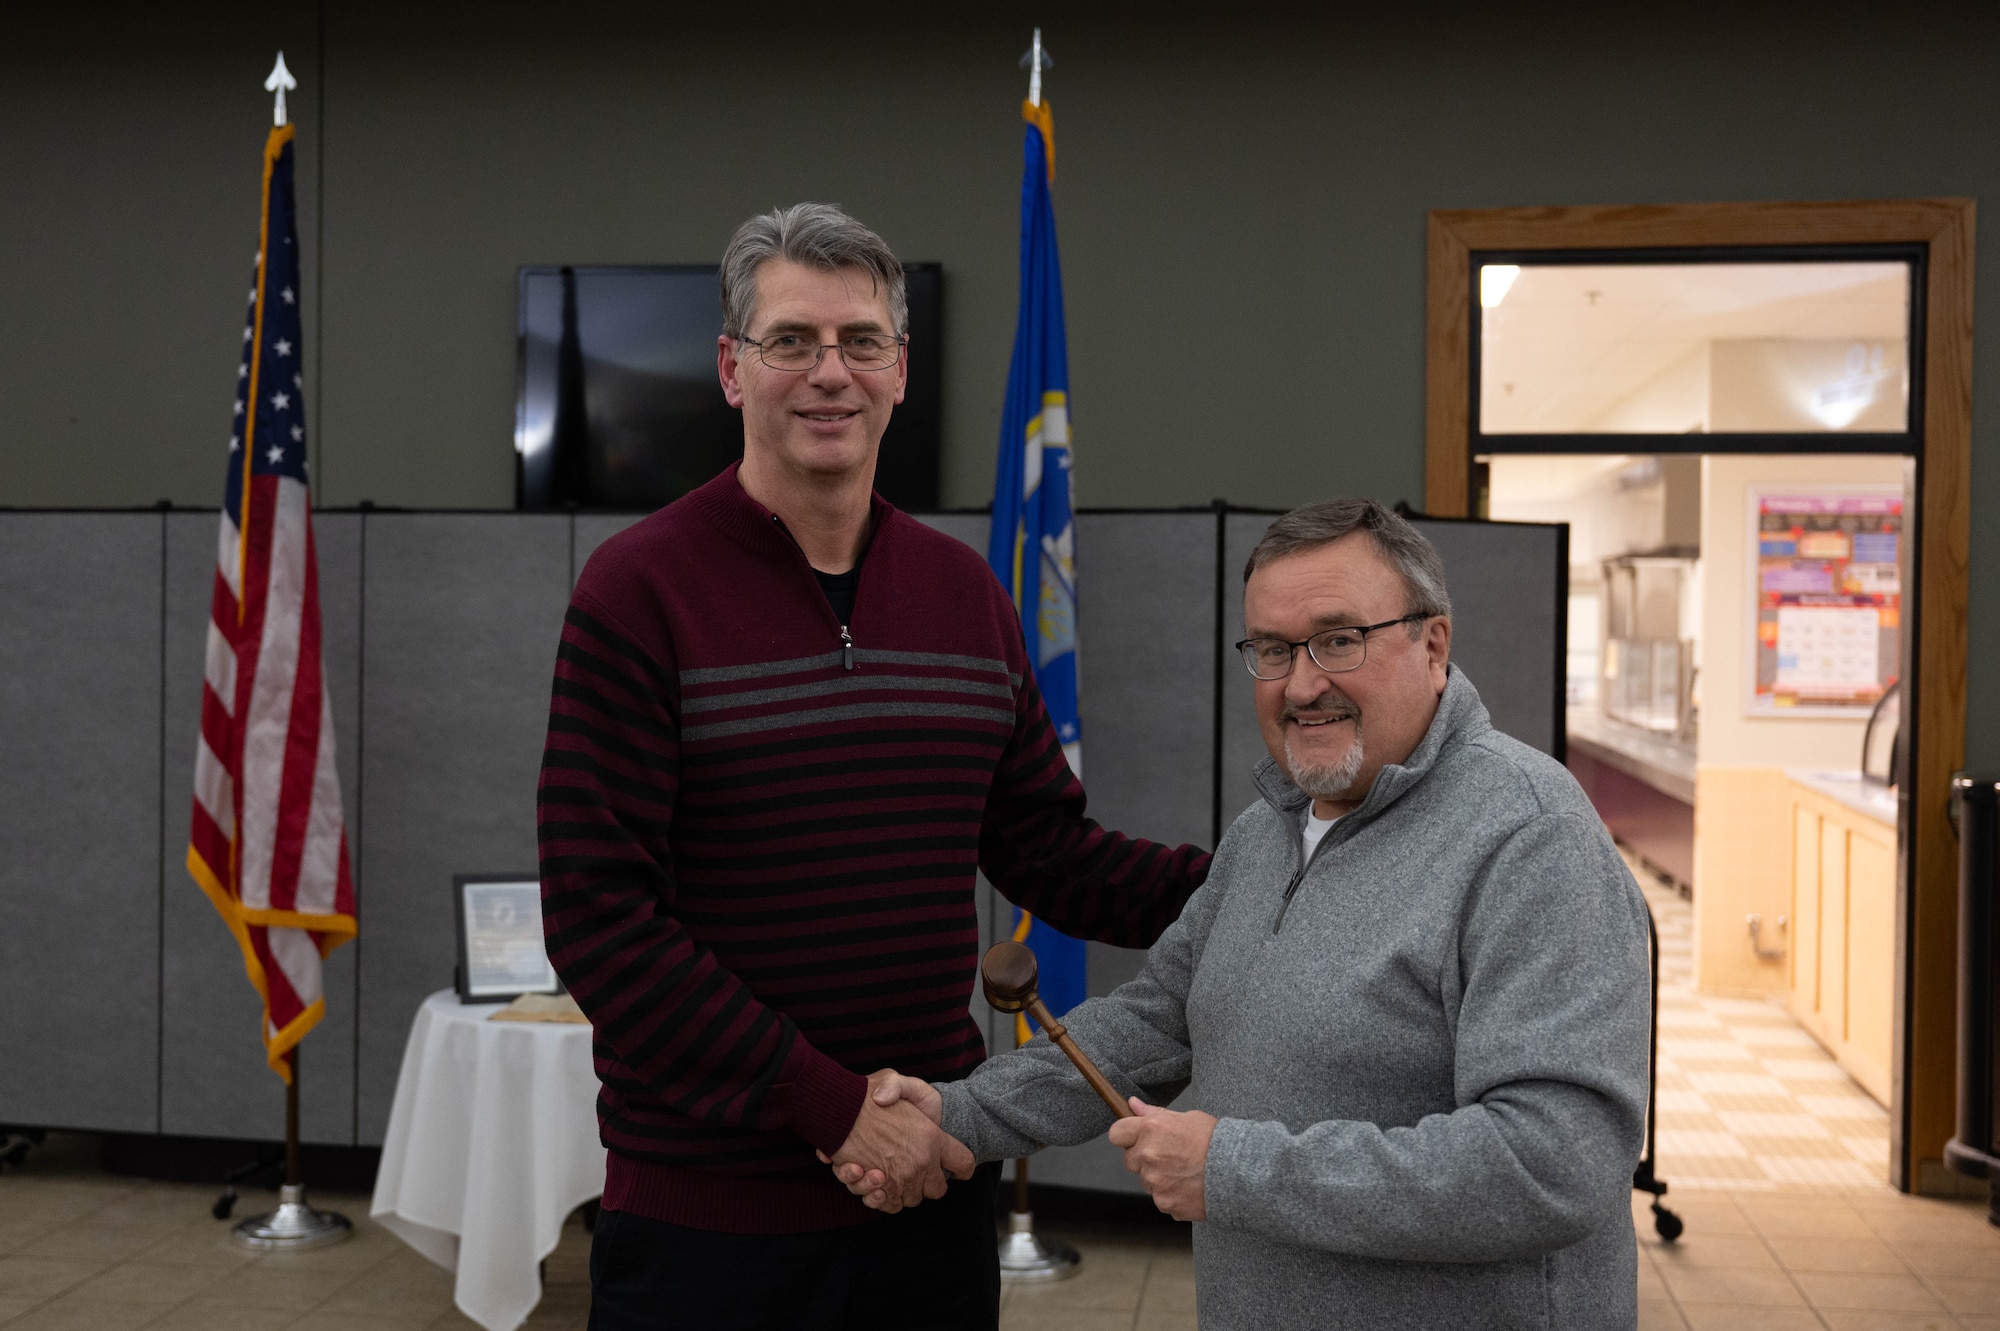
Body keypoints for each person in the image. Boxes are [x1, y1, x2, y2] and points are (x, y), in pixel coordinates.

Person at [535, 202, 1210, 1331]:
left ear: (900, 369)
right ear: (730, 369)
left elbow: (1047, 847)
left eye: (859, 341)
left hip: (928, 1199)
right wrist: (834, 1107)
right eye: (789, 340)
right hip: (709, 1224)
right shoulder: (634, 591)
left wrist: (1270, 881)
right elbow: (603, 920)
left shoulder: (963, 594)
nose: (827, 372)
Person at [842, 499, 1654, 1330]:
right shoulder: (1270, 829)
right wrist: (958, 1116)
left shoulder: (1531, 839)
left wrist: (1231, 1169)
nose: (1303, 684)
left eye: (1340, 639)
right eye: (1272, 649)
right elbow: (1157, 1020)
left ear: (1433, 644)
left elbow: (1554, 1162)